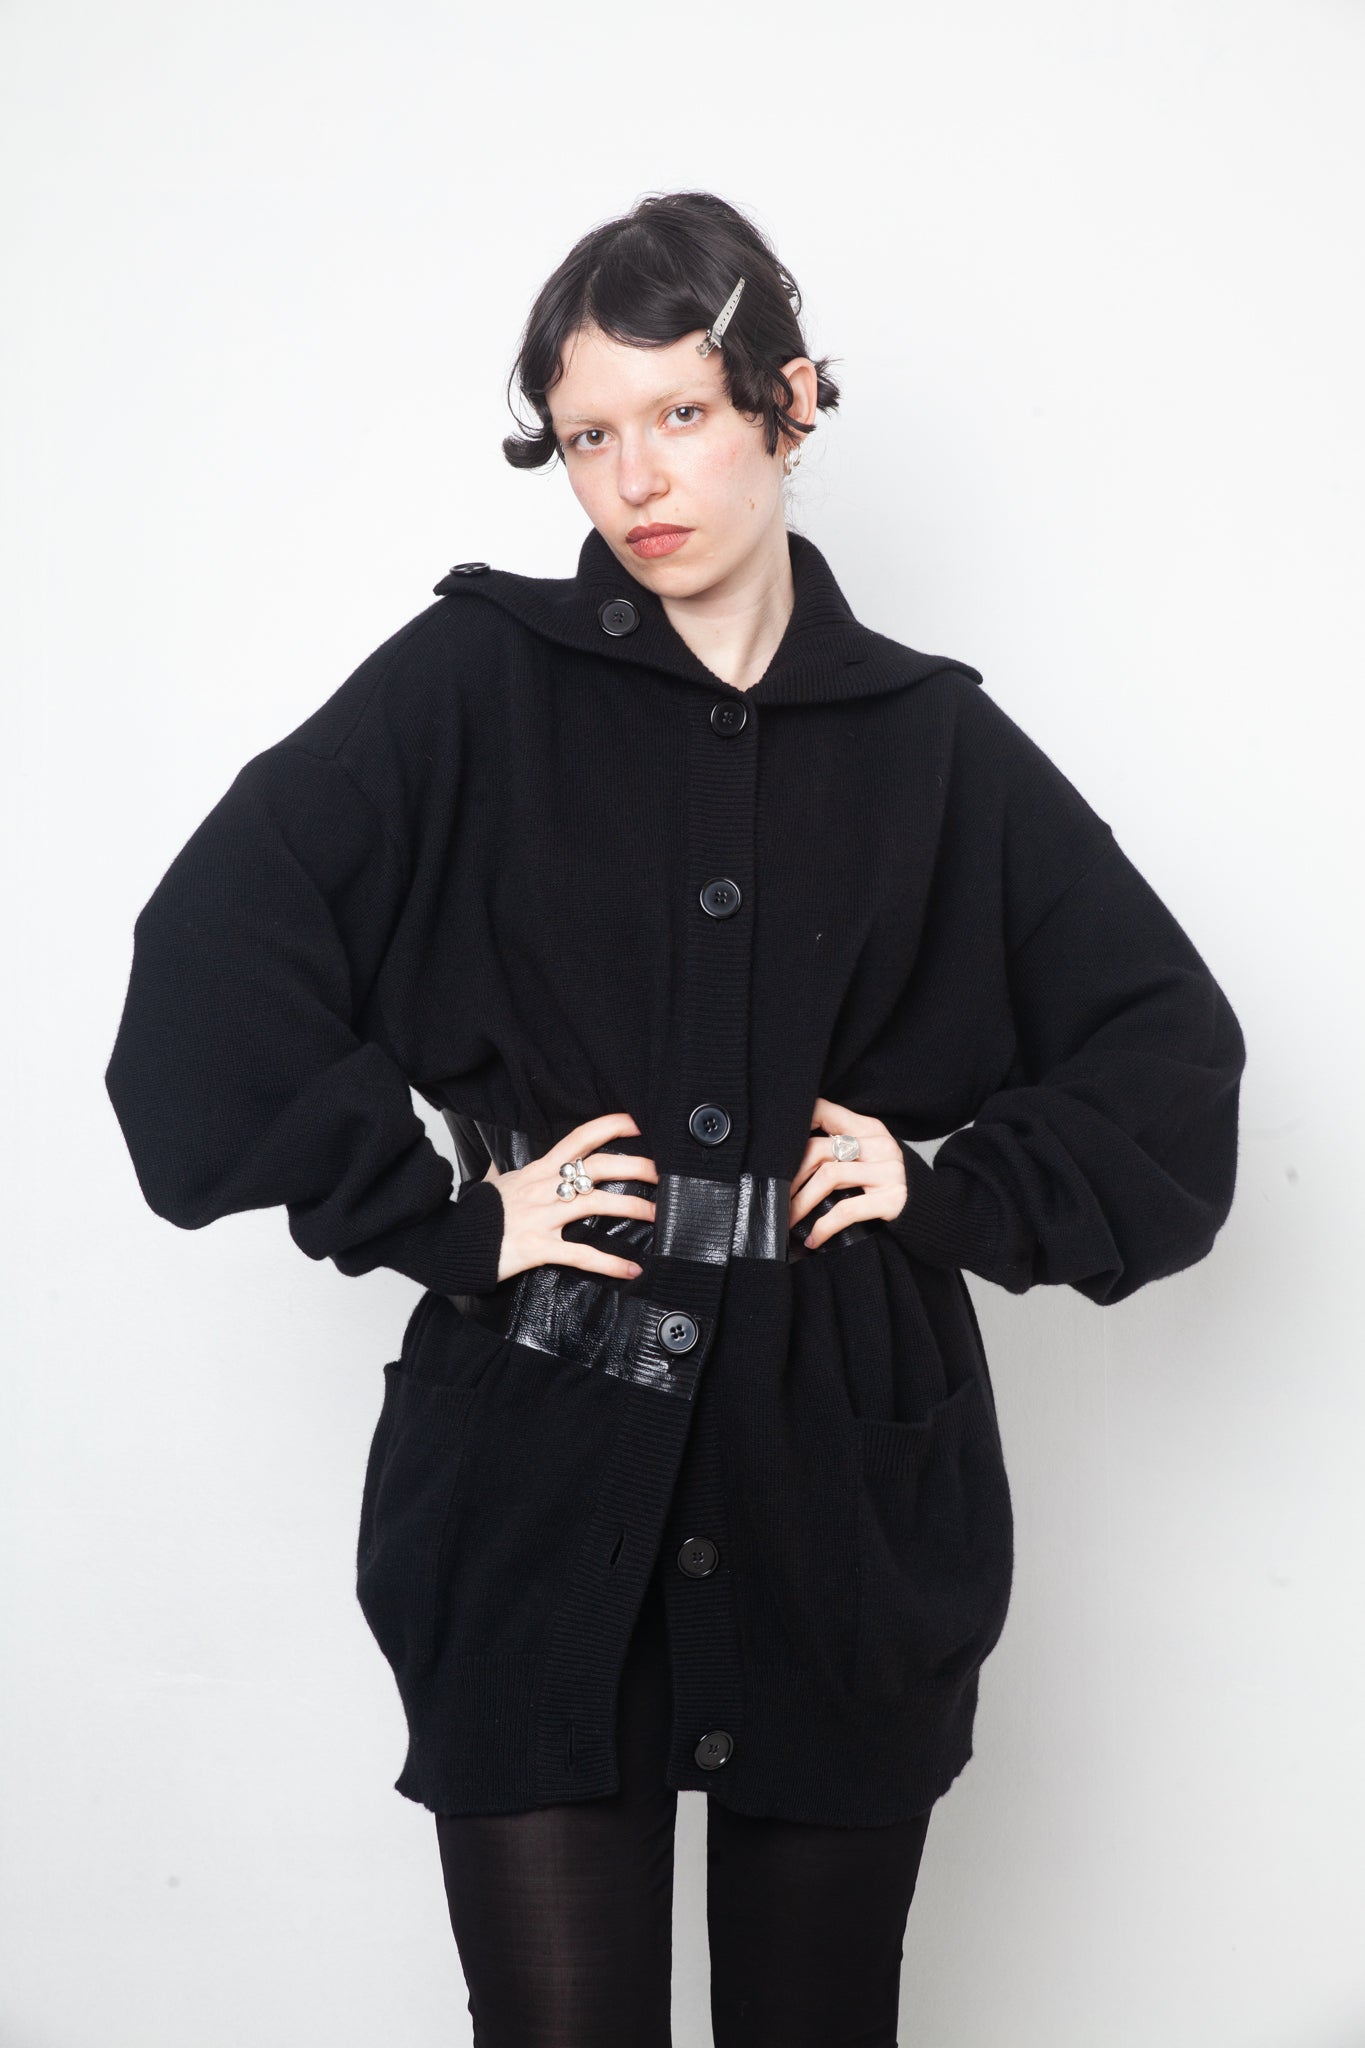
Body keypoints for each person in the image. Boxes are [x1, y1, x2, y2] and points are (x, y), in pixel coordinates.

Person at [104, 189, 1247, 2045]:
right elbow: (213, 963)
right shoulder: (471, 686)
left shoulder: (929, 740)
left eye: (681, 413)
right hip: (536, 1452)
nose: (633, 479)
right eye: (586, 435)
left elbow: (1166, 1055)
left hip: (840, 1477)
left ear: (789, 403)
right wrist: (441, 1220)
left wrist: (950, 1193)